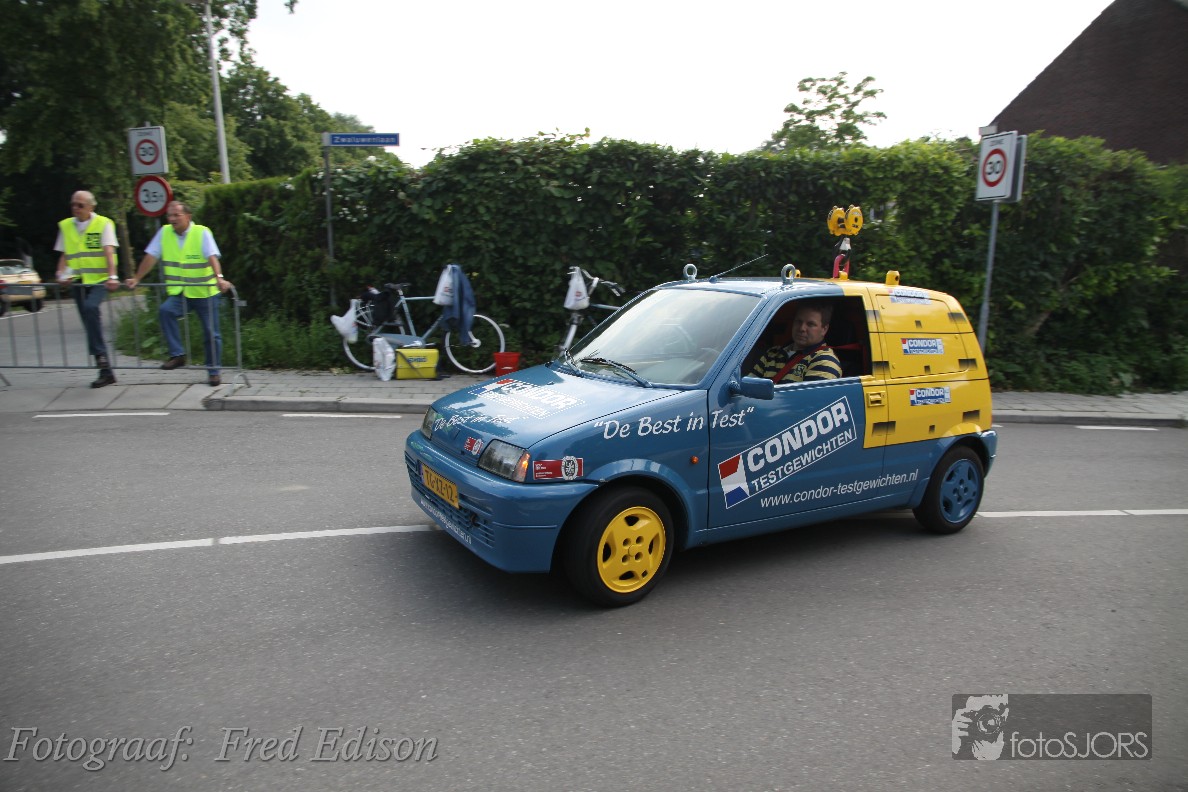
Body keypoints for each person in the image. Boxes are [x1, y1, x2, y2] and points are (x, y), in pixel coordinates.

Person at [126, 201, 233, 386]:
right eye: (170, 215)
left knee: (211, 333)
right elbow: (151, 256)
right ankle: (178, 355)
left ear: (188, 216)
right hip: (180, 292)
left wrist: (219, 278)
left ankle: (214, 371)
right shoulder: (164, 232)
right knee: (166, 311)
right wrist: (137, 278)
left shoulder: (202, 232)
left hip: (205, 292)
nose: (172, 219)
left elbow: (212, 257)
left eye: (176, 215)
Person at [55, 191, 121, 388]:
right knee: (89, 324)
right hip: (78, 281)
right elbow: (64, 255)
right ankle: (106, 371)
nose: (75, 208)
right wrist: (60, 274)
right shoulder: (66, 226)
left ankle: (100, 356)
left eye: (80, 205)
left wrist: (112, 276)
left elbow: (109, 252)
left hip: (100, 280)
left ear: (91, 207)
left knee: (91, 308)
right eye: (73, 204)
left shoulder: (103, 223)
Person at [750, 300, 842, 383]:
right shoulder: (772, 353)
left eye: (810, 324)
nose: (802, 328)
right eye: (799, 321)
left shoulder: (825, 361)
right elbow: (749, 387)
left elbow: (811, 397)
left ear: (824, 329)